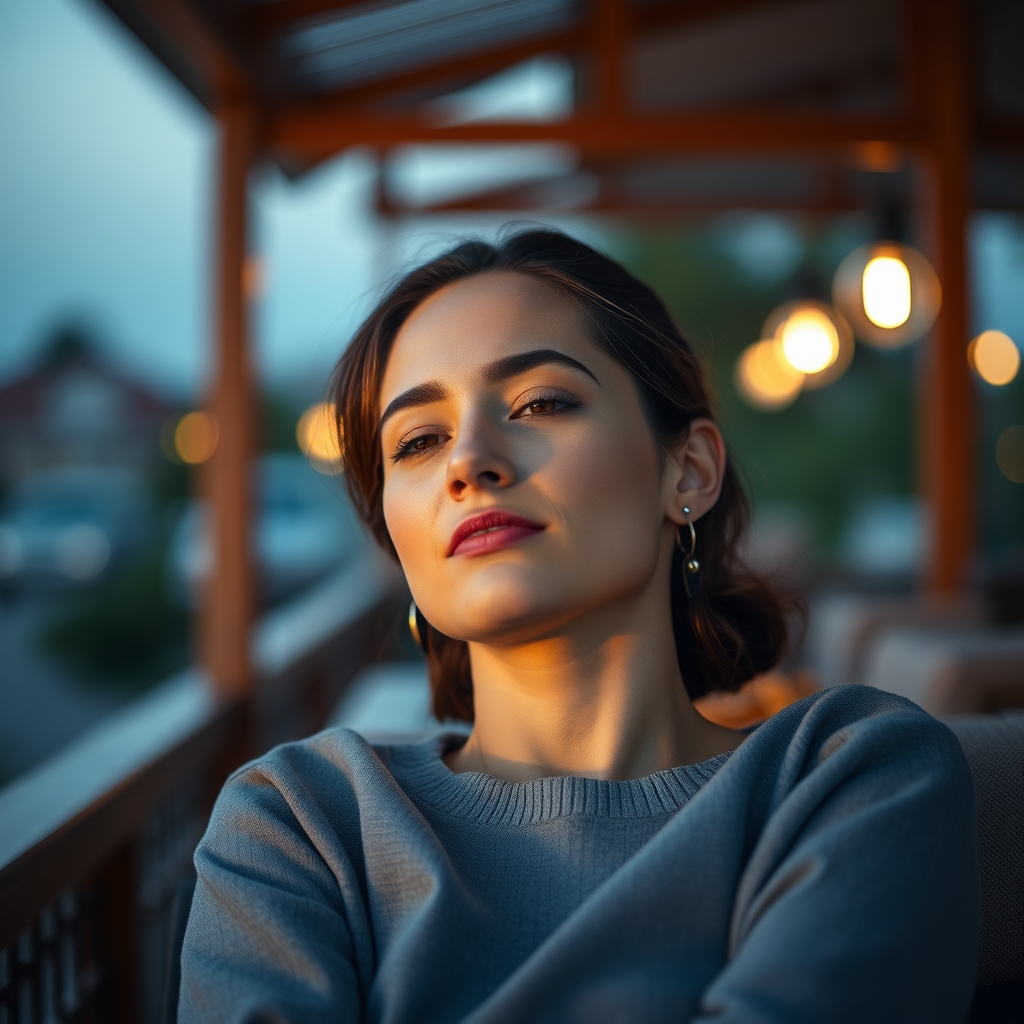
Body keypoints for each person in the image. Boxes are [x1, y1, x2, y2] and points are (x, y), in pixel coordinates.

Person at [179, 229, 979, 1023]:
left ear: (688, 471)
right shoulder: (299, 825)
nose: (469, 461)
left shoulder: (848, 776)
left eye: (541, 402)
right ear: (395, 536)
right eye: (419, 441)